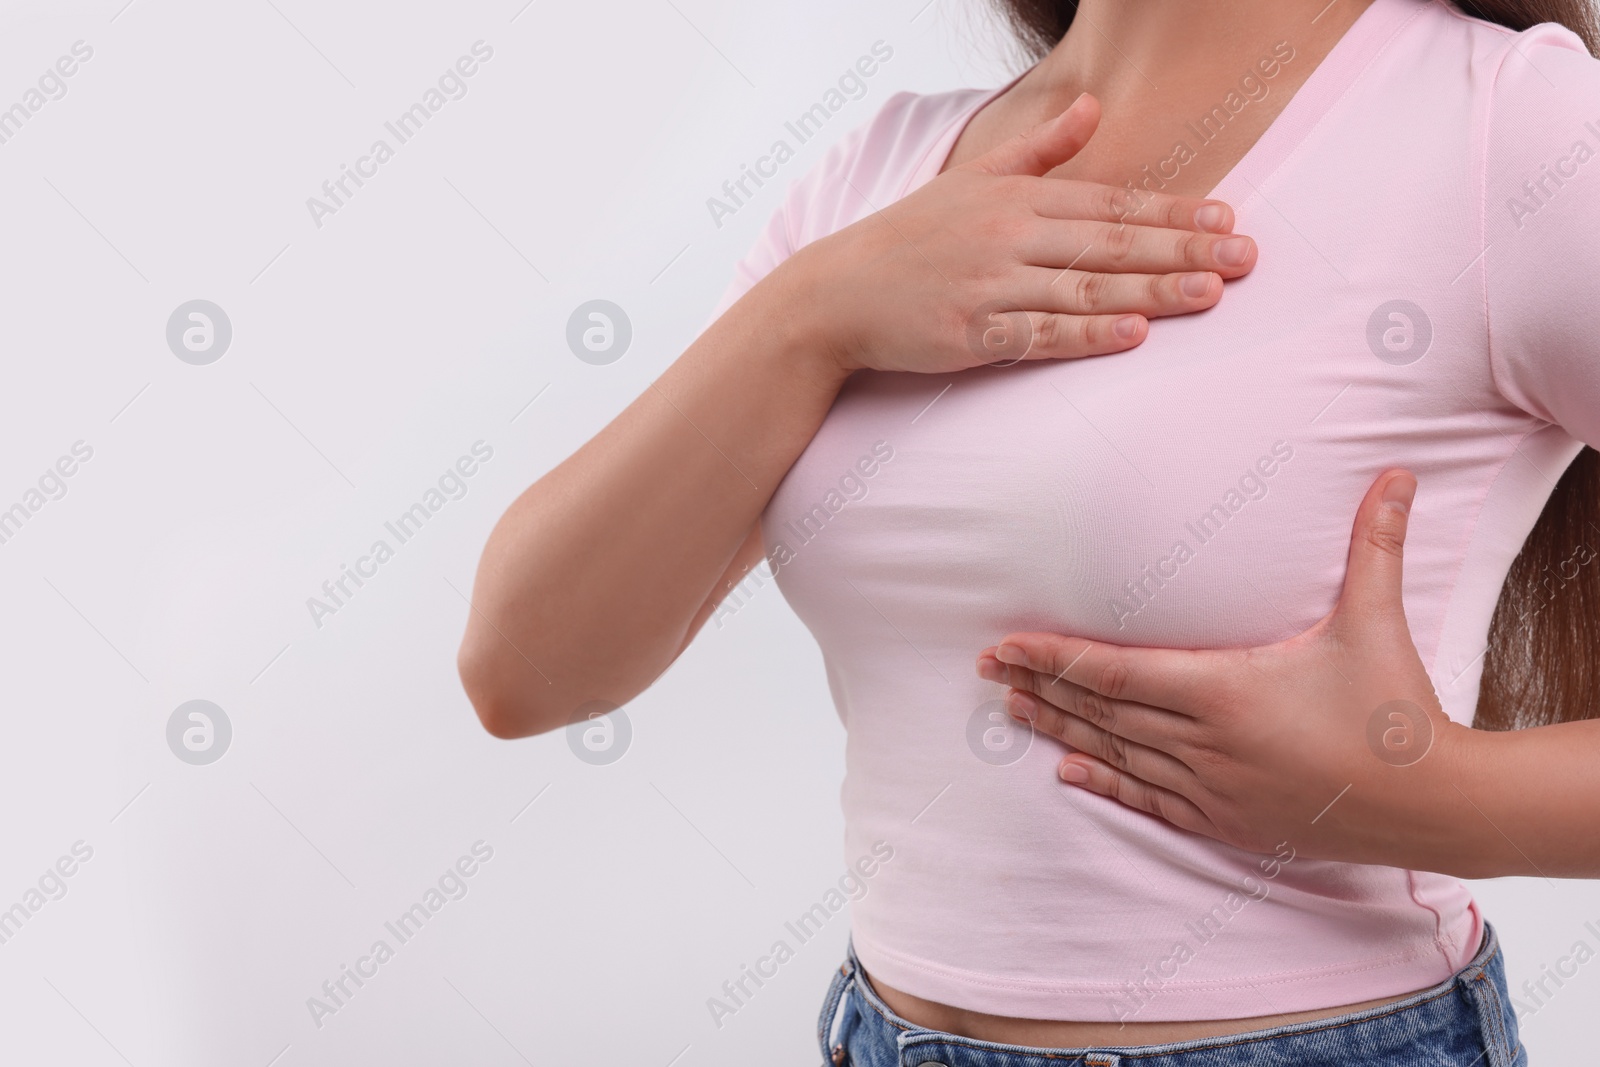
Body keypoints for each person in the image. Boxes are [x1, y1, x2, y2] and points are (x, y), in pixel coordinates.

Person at [458, 0, 1600, 1061]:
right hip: (881, 1026)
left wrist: (1429, 796)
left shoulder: (1503, 127)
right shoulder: (889, 171)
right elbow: (527, 669)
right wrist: (809, 317)